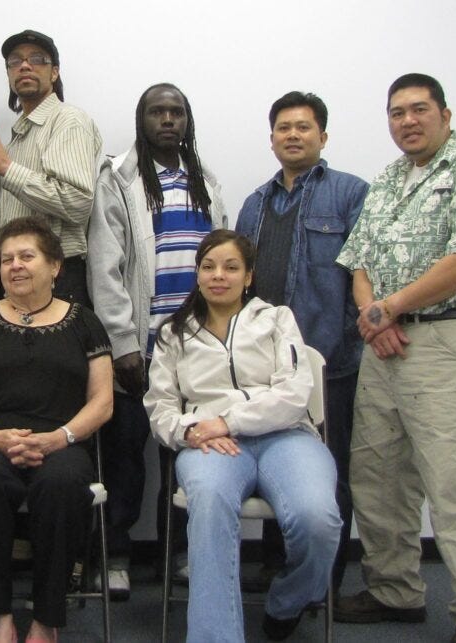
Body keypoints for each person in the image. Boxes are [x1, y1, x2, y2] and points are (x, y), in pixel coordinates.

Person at [335, 74, 456, 643]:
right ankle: (395, 589)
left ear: (444, 113)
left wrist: (389, 308)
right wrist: (376, 316)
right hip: (382, 346)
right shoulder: (389, 180)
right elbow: (358, 261)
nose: (407, 121)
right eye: (397, 112)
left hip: (442, 345)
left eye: (418, 109)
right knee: (378, 477)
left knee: (453, 483)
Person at [144, 229, 341, 642]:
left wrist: (229, 421)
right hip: (208, 443)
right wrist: (190, 429)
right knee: (211, 507)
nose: (219, 275)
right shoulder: (172, 333)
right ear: (197, 274)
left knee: (317, 520)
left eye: (231, 267)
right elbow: (160, 408)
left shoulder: (277, 319)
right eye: (209, 267)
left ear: (248, 276)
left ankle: (287, 601)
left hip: (286, 436)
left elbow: (294, 394)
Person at [0, 215, 113, 643]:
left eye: (26, 256)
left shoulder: (85, 322)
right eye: (6, 259)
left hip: (62, 442)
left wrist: (59, 438)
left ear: (55, 266)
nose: (14, 265)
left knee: (62, 484)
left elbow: (103, 401)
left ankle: (45, 619)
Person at [86, 83, 227, 599]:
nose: (168, 120)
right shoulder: (119, 180)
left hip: (198, 348)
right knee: (125, 457)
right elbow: (105, 267)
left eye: (177, 112)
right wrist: (123, 343)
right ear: (140, 119)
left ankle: (182, 552)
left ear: (187, 120)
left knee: (191, 455)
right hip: (140, 348)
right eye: (157, 111)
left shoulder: (205, 181)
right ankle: (115, 555)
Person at [235, 91, 367, 593]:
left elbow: (365, 273)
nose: (293, 135)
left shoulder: (350, 193)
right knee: (276, 459)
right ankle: (276, 566)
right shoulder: (255, 204)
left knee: (331, 470)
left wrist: (347, 336)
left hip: (330, 361)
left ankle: (322, 583)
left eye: (303, 127)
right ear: (271, 139)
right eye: (283, 128)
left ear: (323, 136)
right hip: (267, 366)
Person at [0, 29, 102, 304]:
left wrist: (7, 168)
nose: (25, 66)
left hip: (56, 278)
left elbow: (78, 201)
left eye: (37, 59)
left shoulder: (68, 120)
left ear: (54, 73)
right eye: (15, 61)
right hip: (16, 274)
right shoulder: (16, 139)